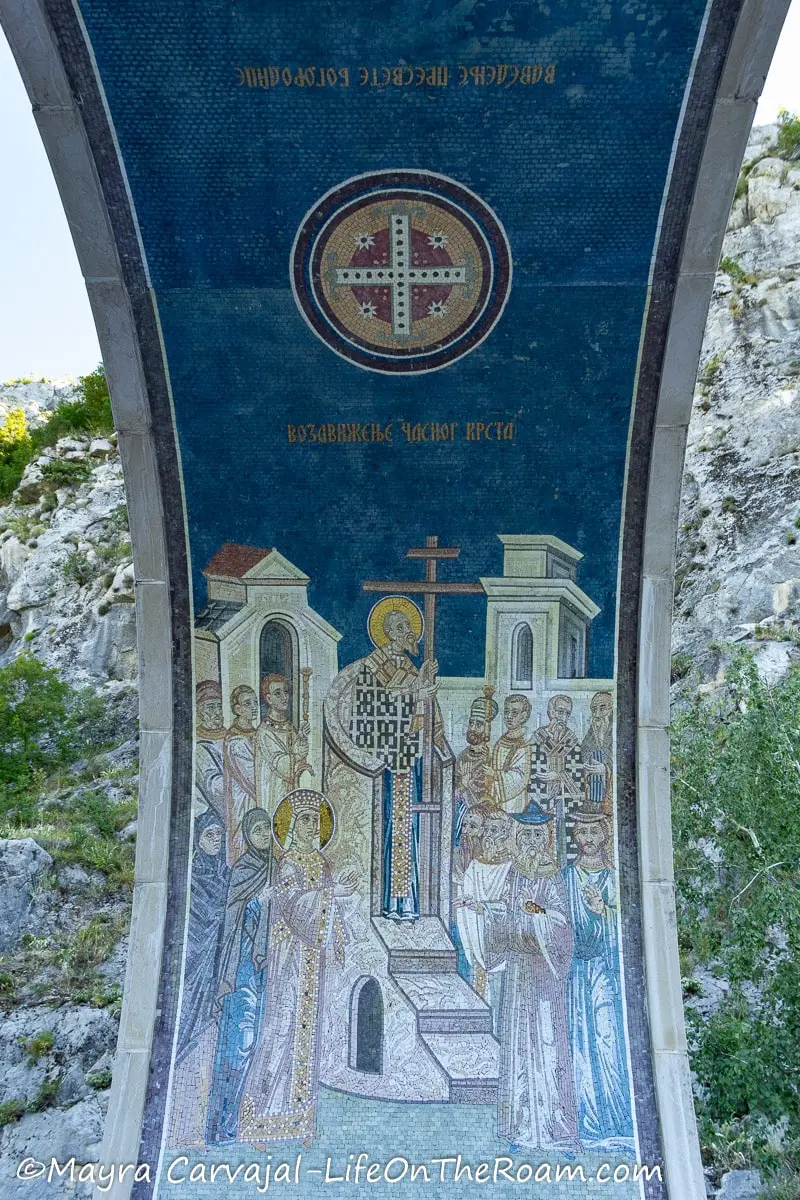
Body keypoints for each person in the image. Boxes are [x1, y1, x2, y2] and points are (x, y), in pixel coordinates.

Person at [239, 790, 357, 1144]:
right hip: (289, 957)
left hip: (313, 961)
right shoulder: (288, 863)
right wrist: (331, 895)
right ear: (292, 825)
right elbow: (292, 907)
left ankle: (299, 1121)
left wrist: (338, 934)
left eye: (316, 819)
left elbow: (325, 908)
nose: (312, 825)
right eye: (305, 819)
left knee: (308, 1036)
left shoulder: (321, 864)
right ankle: (258, 1119)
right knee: (280, 1030)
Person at [332, 600, 442, 920]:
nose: (410, 633)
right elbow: (369, 711)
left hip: (408, 756)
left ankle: (407, 901)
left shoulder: (407, 666)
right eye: (402, 628)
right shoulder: (372, 665)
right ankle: (390, 902)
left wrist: (421, 683)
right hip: (388, 758)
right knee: (393, 826)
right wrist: (415, 693)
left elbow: (417, 708)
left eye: (410, 627)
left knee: (408, 828)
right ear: (390, 632)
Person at [487, 800, 579, 1154]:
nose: (530, 841)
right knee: (517, 1045)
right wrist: (492, 912)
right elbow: (508, 914)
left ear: (545, 837)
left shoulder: (552, 874)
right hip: (518, 970)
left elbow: (560, 923)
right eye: (524, 833)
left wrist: (538, 912)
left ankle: (556, 1126)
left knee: (547, 1041)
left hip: (543, 972)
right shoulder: (514, 874)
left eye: (536, 834)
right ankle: (520, 1126)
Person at [563, 807, 633, 1149]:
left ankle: (618, 1119)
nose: (588, 839)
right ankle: (588, 1123)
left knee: (607, 1039)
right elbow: (556, 919)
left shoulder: (613, 878)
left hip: (603, 972)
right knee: (579, 1044)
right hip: (576, 971)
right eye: (583, 832)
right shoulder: (566, 877)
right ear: (575, 836)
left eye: (594, 832)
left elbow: (628, 927)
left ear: (604, 834)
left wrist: (601, 910)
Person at [206, 807, 273, 1144]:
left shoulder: (277, 869)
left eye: (268, 829)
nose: (264, 835)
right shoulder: (242, 870)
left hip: (266, 972)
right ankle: (222, 1125)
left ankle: (248, 1121)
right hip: (242, 968)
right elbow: (232, 919)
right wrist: (258, 904)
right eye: (258, 830)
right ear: (247, 834)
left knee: (261, 1046)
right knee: (239, 1046)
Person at [175, 810, 229, 1065]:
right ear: (198, 839)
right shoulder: (193, 874)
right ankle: (183, 1039)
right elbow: (202, 914)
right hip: (198, 950)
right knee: (191, 995)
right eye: (210, 834)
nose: (216, 839)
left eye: (219, 834)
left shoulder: (224, 872)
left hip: (220, 948)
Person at [454, 808, 512, 1029]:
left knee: (500, 1002)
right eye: (487, 829)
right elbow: (467, 898)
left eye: (495, 830)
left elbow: (511, 907)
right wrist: (466, 904)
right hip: (477, 943)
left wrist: (483, 908)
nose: (489, 835)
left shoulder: (511, 868)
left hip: (501, 946)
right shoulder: (474, 867)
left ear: (505, 834)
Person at [530, 694, 584, 865]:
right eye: (560, 712)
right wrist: (541, 787)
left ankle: (565, 868)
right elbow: (531, 767)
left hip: (566, 801)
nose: (563, 718)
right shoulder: (538, 738)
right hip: (542, 799)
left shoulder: (572, 740)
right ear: (550, 712)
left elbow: (577, 772)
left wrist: (559, 776)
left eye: (567, 714)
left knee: (566, 839)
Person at [256, 673, 312, 814]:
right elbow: (281, 764)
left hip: (290, 789)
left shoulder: (289, 727)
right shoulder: (264, 731)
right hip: (274, 791)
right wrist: (297, 754)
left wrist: (302, 737)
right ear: (269, 699)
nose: (284, 697)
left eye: (285, 692)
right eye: (278, 693)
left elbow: (297, 753)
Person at [222, 685, 259, 864]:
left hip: (257, 802)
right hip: (243, 803)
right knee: (244, 844)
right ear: (237, 709)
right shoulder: (235, 741)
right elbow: (251, 779)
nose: (254, 707)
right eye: (248, 703)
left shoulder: (258, 733)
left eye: (255, 702)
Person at [489, 694, 534, 813]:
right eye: (507, 712)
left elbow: (520, 777)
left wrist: (495, 774)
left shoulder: (524, 744)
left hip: (514, 800)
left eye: (514, 713)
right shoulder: (501, 740)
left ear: (523, 716)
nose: (509, 716)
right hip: (497, 794)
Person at [194, 681, 227, 817]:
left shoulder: (231, 737)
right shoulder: (199, 747)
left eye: (219, 706)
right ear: (200, 711)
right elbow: (213, 787)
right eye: (211, 707)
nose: (218, 712)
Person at [581, 692, 613, 811]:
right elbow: (584, 750)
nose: (597, 714)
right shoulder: (593, 730)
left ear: (611, 709)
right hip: (595, 788)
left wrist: (606, 768)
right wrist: (586, 764)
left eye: (602, 708)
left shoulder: (618, 730)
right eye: (594, 710)